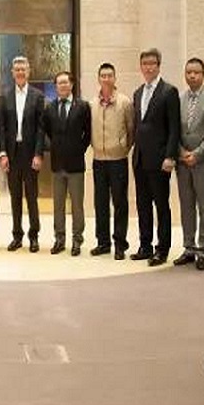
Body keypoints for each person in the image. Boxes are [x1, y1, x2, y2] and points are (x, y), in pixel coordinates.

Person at [131, 48, 180, 266]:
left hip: (160, 159)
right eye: (145, 64)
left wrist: (170, 156)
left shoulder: (169, 91)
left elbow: (174, 128)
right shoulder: (138, 93)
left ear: (159, 66)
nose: (148, 67)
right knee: (143, 205)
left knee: (161, 205)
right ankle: (145, 245)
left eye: (152, 63)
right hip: (140, 158)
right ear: (141, 67)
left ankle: (162, 249)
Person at [174, 58, 204, 271]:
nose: (192, 75)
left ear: (203, 74)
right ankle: (189, 246)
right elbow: (174, 129)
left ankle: (203, 248)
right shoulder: (179, 98)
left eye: (196, 72)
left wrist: (197, 154)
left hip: (203, 162)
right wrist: (181, 152)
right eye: (189, 72)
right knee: (186, 206)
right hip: (183, 161)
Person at [0, 56, 45, 252]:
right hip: (12, 154)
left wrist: (38, 154)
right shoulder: (5, 96)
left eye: (23, 69)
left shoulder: (37, 96)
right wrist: (2, 153)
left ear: (28, 71)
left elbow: (41, 128)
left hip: (30, 153)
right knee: (15, 197)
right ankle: (17, 236)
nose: (20, 72)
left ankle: (34, 236)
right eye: (16, 69)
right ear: (12, 73)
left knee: (31, 197)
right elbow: (1, 128)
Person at [42, 71, 91, 256]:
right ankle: (59, 239)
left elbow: (88, 133)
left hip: (76, 164)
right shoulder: (50, 107)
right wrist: (53, 147)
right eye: (59, 83)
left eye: (65, 82)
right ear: (56, 87)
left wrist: (79, 149)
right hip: (57, 164)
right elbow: (46, 131)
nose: (62, 86)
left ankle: (77, 239)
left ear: (71, 84)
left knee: (77, 205)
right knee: (58, 205)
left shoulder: (82, 106)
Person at [88, 63, 134, 260]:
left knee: (120, 203)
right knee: (100, 203)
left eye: (109, 75)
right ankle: (103, 242)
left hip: (118, 160)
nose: (106, 79)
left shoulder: (124, 102)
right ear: (98, 79)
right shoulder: (92, 104)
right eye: (103, 76)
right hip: (99, 160)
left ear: (115, 78)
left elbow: (131, 129)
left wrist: (123, 147)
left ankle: (120, 244)